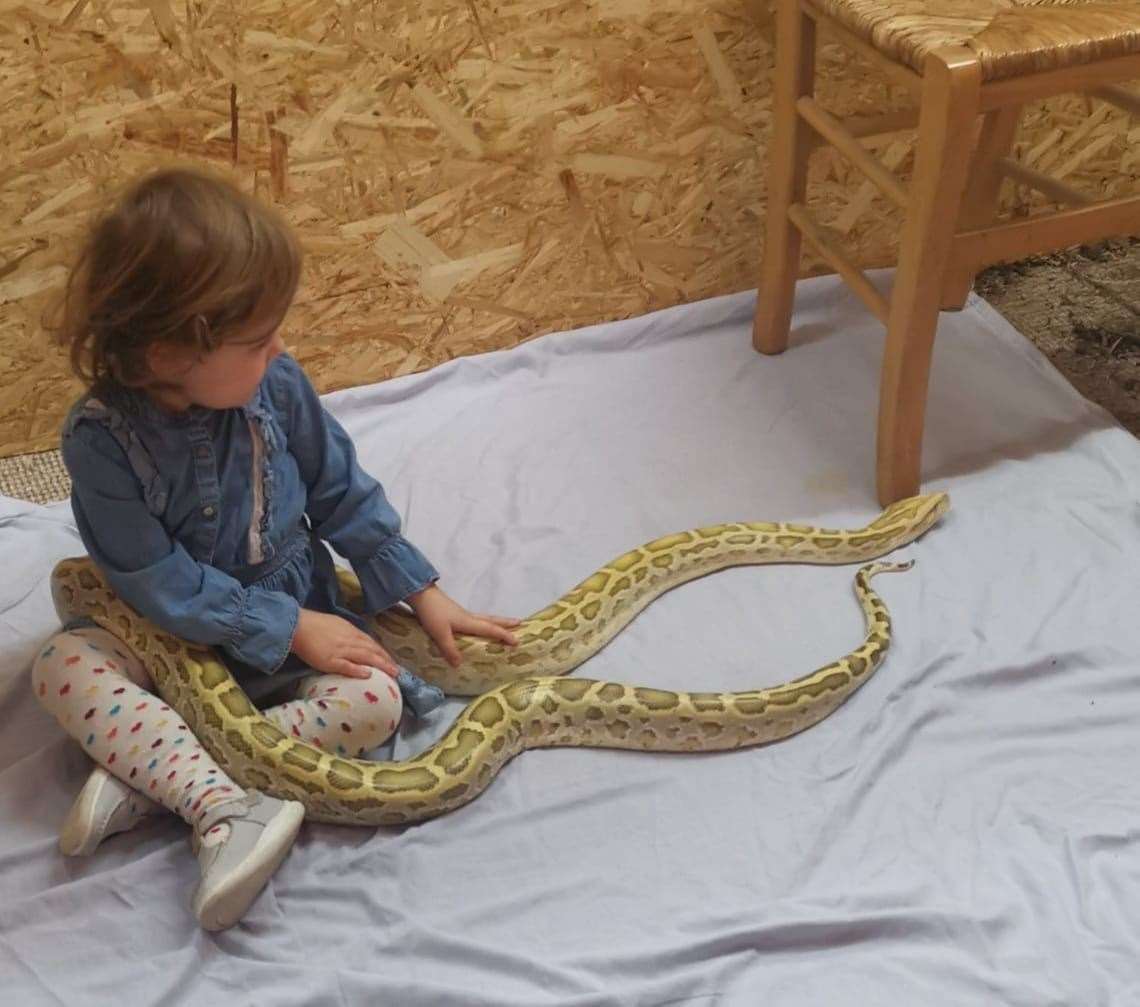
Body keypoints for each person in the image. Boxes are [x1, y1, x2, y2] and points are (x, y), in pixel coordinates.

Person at [31, 166, 521, 931]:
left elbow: (340, 489)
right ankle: (221, 805)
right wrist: (286, 625)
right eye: (257, 339)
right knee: (60, 665)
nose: (281, 346)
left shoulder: (279, 385)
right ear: (166, 351)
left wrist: (421, 593)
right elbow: (154, 578)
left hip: (296, 625)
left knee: (379, 696)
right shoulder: (99, 442)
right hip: (173, 637)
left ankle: (157, 773)